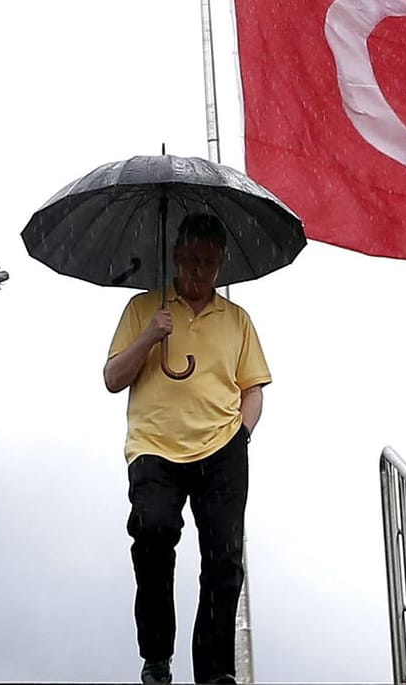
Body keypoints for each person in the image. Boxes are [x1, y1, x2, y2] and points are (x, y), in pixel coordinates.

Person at [104, 212, 270, 685]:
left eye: (210, 264)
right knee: (153, 534)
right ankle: (156, 656)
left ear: (220, 264)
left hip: (222, 448)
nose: (199, 272)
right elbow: (113, 378)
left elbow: (253, 387)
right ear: (176, 256)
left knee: (224, 558)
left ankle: (214, 672)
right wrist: (150, 336)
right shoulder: (144, 309)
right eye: (192, 261)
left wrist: (243, 433)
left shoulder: (237, 320)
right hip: (155, 448)